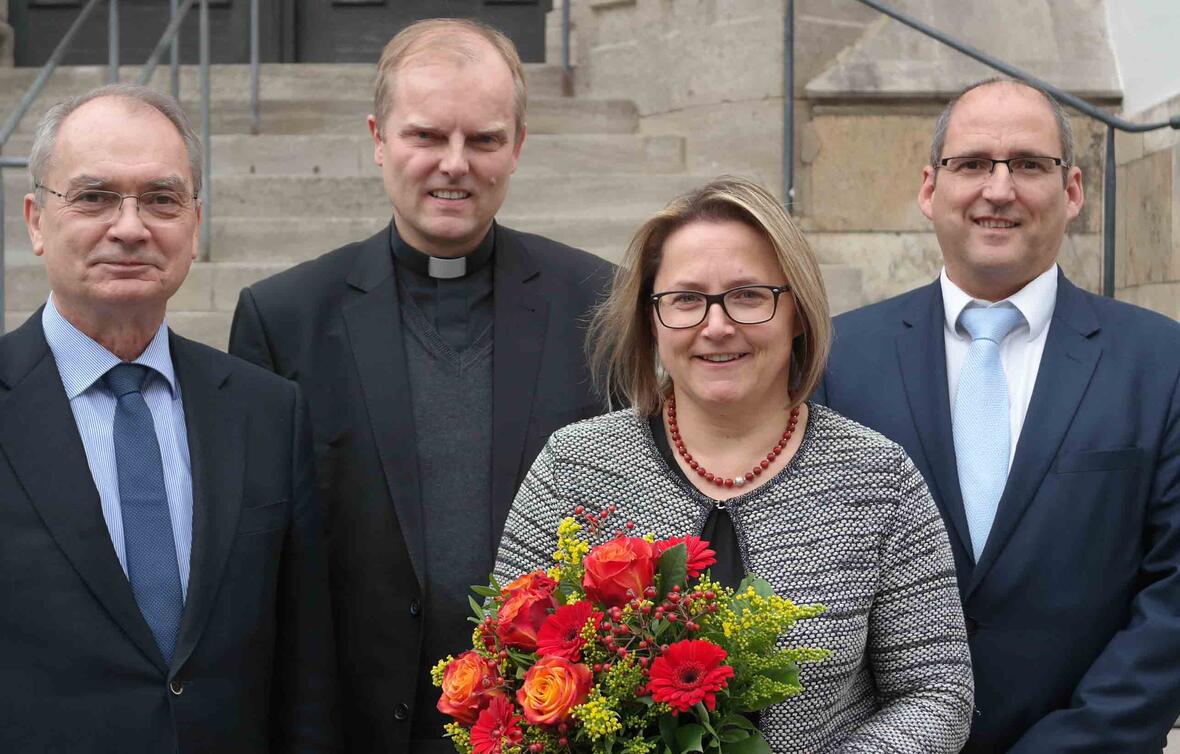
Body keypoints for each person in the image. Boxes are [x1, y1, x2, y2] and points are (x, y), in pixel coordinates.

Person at [228, 18, 614, 753]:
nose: (454, 164)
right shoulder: (284, 318)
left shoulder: (598, 303)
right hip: (356, 726)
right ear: (379, 139)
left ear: (518, 145)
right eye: (426, 136)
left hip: (554, 723)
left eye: (484, 140)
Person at [493, 176, 974, 753]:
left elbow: (938, 693)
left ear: (798, 312)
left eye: (748, 295)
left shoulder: (878, 479)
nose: (717, 326)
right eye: (685, 299)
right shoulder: (574, 467)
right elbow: (504, 668)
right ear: (650, 319)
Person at [818, 77, 1180, 751]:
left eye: (1030, 165)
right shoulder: (837, 359)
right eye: (974, 163)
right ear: (931, 188)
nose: (999, 189)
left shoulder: (1161, 361)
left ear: (1073, 191)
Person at [0, 84, 335, 752]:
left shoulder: (268, 412)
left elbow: (304, 673)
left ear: (195, 224)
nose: (130, 227)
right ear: (36, 221)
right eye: (94, 197)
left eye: (161, 199)